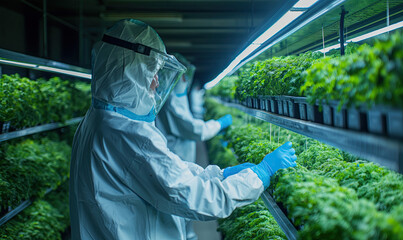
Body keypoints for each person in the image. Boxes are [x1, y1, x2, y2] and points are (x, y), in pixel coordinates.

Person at [70, 19, 297, 240]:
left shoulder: (99, 118)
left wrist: (220, 174)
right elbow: (195, 197)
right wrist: (258, 176)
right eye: (153, 73)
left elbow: (168, 172)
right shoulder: (127, 132)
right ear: (132, 73)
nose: (157, 82)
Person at [155, 53, 232, 239]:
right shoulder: (171, 99)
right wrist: (218, 124)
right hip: (175, 154)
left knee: (183, 204)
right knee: (181, 202)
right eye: (185, 76)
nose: (186, 80)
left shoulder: (176, 95)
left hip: (181, 154)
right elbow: (192, 128)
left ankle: (188, 234)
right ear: (180, 76)